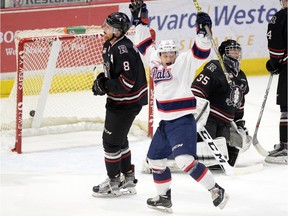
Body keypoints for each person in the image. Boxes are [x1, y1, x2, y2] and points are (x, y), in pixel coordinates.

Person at [131, 1, 229, 212]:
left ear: (176, 53)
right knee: (154, 159)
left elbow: (200, 52)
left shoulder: (184, 62)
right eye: (165, 55)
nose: (168, 58)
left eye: (171, 54)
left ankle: (215, 189)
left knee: (184, 160)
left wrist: (203, 32)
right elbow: (144, 44)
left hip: (183, 121)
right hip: (165, 123)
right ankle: (163, 198)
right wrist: (141, 22)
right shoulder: (154, 61)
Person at [91, 11, 148, 196]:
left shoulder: (123, 49)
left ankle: (113, 182)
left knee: (110, 143)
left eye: (108, 26)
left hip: (126, 103)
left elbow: (126, 83)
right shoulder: (110, 44)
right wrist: (103, 80)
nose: (103, 28)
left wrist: (106, 86)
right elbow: (114, 75)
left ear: (117, 31)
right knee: (120, 140)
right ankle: (128, 178)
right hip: (120, 101)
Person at [191, 39, 251, 168]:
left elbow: (240, 101)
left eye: (237, 50)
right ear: (224, 53)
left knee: (235, 145)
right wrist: (199, 113)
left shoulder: (241, 76)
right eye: (232, 50)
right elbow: (197, 89)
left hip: (226, 122)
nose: (236, 52)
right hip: (210, 118)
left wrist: (239, 121)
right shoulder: (215, 67)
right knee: (204, 151)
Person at [265, 0, 287, 164]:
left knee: (286, 106)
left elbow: (275, 43)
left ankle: (286, 145)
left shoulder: (280, 17)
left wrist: (275, 62)